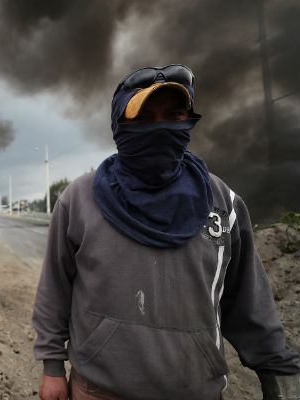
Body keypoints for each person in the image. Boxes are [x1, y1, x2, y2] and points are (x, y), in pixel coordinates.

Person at [32, 64, 300, 400]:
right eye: (144, 118)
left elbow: (249, 301)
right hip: (99, 390)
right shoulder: (80, 199)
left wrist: (278, 372)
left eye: (174, 115)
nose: (161, 128)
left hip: (196, 391)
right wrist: (52, 367)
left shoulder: (222, 203)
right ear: (120, 125)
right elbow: (54, 290)